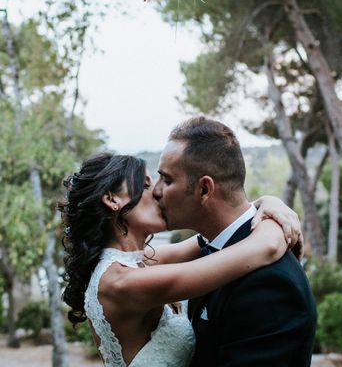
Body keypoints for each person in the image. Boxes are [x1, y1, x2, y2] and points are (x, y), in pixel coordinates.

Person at [59, 152, 301, 367]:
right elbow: (266, 247)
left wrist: (267, 202)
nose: (157, 193)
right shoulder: (122, 282)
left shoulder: (137, 262)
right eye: (145, 185)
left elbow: (218, 232)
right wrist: (280, 218)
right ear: (113, 200)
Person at [153, 116, 317, 366]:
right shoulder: (211, 250)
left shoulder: (270, 284)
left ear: (205, 190)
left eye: (167, 180)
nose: (156, 191)